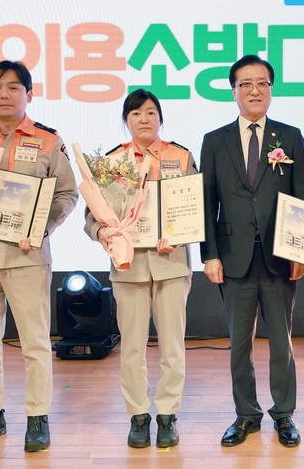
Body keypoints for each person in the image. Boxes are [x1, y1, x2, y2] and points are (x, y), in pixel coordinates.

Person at [0, 60, 78, 452]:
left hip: (26, 255)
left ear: (29, 94)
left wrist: (41, 227)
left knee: (35, 341)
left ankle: (37, 416)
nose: (3, 94)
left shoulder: (47, 140)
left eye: (12, 87)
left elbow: (67, 193)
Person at [200, 54, 304, 448]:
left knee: (282, 342)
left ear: (271, 89)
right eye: (245, 84)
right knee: (239, 345)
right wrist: (209, 254)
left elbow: (301, 199)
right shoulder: (215, 140)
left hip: (279, 257)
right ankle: (245, 414)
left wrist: (300, 252)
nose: (254, 90)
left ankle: (284, 414)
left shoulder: (290, 136)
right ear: (233, 91)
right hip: (233, 257)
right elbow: (207, 202)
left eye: (262, 83)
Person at [84, 89, 195, 449]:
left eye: (150, 112)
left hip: (171, 264)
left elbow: (195, 209)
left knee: (172, 347)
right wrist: (102, 232)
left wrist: (180, 235)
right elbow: (92, 215)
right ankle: (138, 415)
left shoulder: (181, 156)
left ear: (160, 117)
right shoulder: (111, 162)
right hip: (127, 266)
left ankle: (167, 415)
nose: (143, 119)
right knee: (132, 346)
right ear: (126, 120)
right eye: (135, 113)